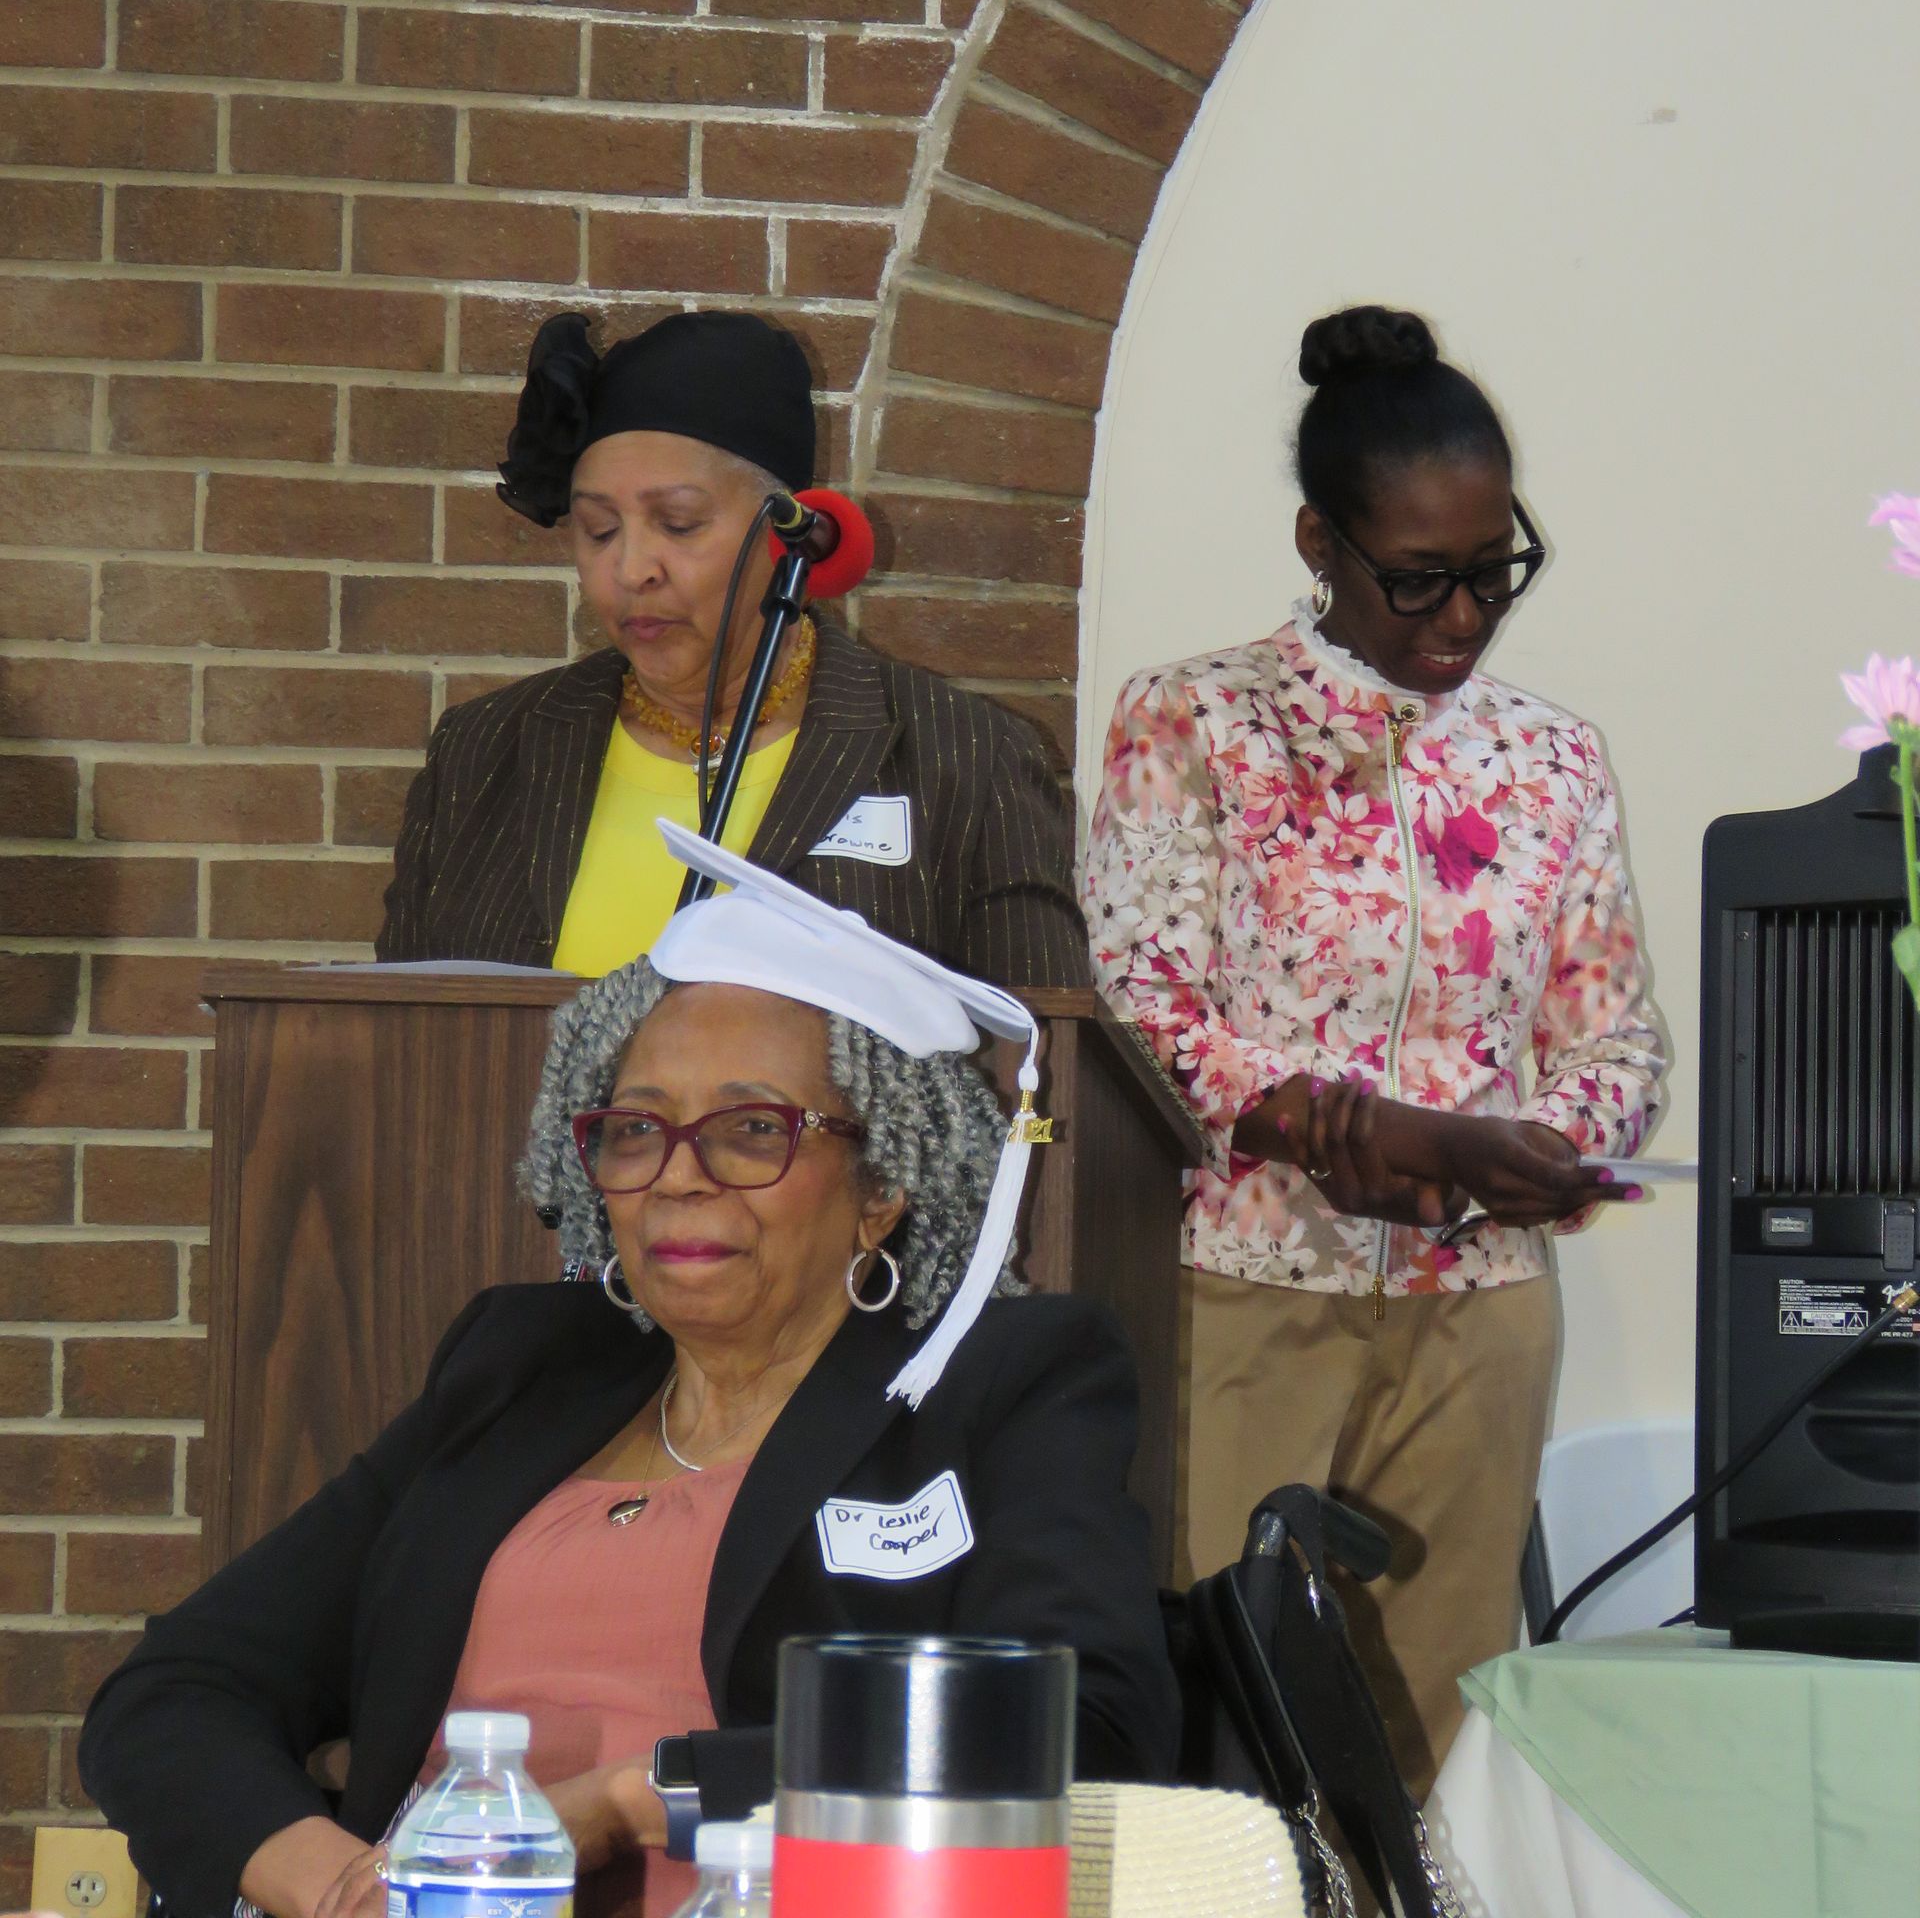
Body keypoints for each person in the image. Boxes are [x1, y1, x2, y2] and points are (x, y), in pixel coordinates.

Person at [81, 830, 1178, 1918]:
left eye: (753, 1130)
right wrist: (347, 1891)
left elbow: (1087, 1733)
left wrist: (633, 1801)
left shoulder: (1003, 1386)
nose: (679, 1179)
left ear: (884, 1183)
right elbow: (176, 1693)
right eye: (635, 1129)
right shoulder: (522, 1366)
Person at [1082, 303, 1668, 1796]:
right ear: (1318, 545)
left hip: (1477, 1313)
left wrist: (1532, 1152)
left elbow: (1616, 1032)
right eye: (1417, 582)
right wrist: (1334, 1127)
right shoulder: (1195, 720)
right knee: (1227, 1712)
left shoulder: (1553, 756)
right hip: (1244, 1288)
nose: (1461, 621)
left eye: (1493, 575)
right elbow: (1141, 1004)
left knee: (1428, 1741)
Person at [377, 307, 1084, 983]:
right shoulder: (482, 753)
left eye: (678, 523)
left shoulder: (964, 759)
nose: (631, 570)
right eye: (598, 529)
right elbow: (401, 1048)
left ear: (792, 530)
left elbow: (1038, 1067)